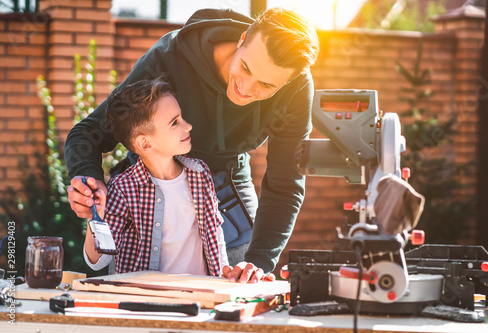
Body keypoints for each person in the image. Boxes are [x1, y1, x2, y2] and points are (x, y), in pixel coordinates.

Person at [65, 7, 319, 282]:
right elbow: (89, 132)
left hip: (228, 183)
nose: (246, 88)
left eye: (267, 86)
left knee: (236, 293)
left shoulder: (296, 89)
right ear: (242, 38)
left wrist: (259, 262)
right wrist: (88, 181)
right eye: (245, 67)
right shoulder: (169, 59)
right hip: (152, 182)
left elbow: (285, 183)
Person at [84, 79, 231, 276]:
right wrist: (96, 218)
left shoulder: (200, 174)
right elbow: (99, 260)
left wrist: (224, 276)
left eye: (181, 117)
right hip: (147, 302)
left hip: (201, 296)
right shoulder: (123, 188)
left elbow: (215, 235)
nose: (188, 126)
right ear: (145, 144)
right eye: (174, 123)